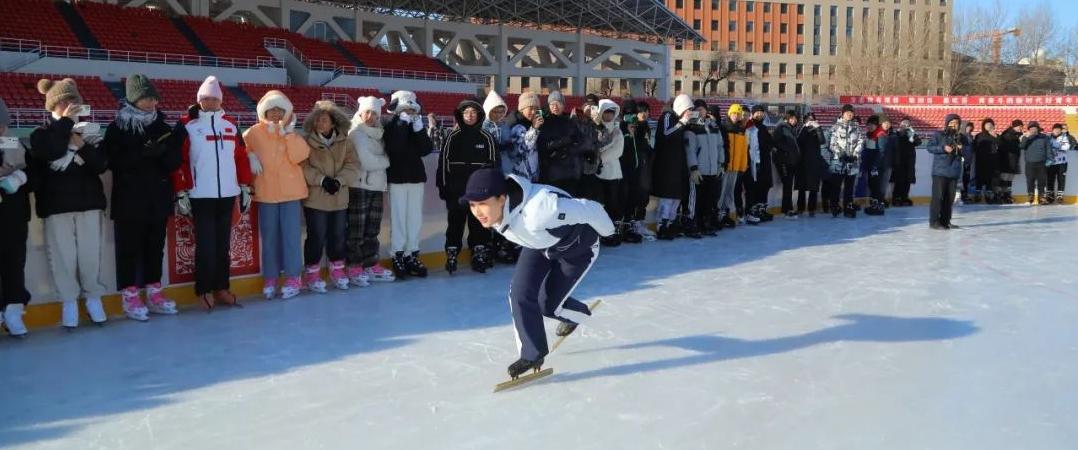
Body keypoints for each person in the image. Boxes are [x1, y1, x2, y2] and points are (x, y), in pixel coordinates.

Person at [461, 168, 614, 379]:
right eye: (472, 205)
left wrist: (609, 232)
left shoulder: (541, 210)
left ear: (502, 198)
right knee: (519, 294)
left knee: (548, 306)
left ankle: (576, 314)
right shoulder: (497, 213)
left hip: (578, 250)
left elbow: (591, 209)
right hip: (539, 245)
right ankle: (532, 354)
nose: (477, 212)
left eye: (483, 203)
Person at [30, 78, 109, 328]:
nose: (70, 105)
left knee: (90, 256)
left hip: (89, 203)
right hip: (56, 206)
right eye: (64, 101)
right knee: (63, 258)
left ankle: (93, 297)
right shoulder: (41, 134)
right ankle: (69, 301)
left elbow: (101, 164)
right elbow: (52, 152)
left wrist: (82, 146)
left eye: (73, 100)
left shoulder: (89, 131)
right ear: (53, 105)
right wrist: (65, 123)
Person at [102, 74, 181, 321]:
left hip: (157, 197)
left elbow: (174, 162)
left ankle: (154, 291)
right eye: (146, 98)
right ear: (134, 99)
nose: (151, 103)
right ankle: (129, 294)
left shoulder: (163, 126)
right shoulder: (118, 127)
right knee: (128, 248)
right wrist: (141, 154)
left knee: (155, 247)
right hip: (129, 198)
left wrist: (164, 151)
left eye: (154, 98)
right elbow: (111, 161)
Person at [172, 75, 253, 310]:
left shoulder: (230, 124)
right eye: (205, 99)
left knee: (223, 247)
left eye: (214, 99)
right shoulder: (186, 124)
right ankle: (203, 289)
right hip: (200, 195)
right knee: (206, 247)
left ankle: (221, 288)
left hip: (227, 194)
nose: (210, 103)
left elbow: (240, 157)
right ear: (199, 100)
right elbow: (178, 161)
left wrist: (245, 186)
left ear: (220, 101)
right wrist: (181, 191)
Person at [244, 90, 310, 299]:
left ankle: (293, 277)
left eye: (280, 110)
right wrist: (250, 156)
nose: (275, 114)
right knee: (269, 238)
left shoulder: (292, 134)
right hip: (266, 192)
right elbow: (241, 149)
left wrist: (288, 135)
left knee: (291, 237)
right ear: (264, 112)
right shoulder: (253, 133)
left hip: (291, 193)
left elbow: (300, 156)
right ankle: (270, 277)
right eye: (271, 110)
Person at [301, 100, 360, 292]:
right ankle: (312, 273)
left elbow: (353, 165)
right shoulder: (306, 141)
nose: (320, 123)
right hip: (316, 199)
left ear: (333, 122)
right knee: (316, 236)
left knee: (338, 236)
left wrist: (338, 181)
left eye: (324, 120)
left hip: (339, 199)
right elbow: (303, 166)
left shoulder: (346, 142)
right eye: (317, 119)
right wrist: (322, 180)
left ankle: (337, 270)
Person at [436, 99, 498, 274]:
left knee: (478, 224)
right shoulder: (452, 137)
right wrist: (443, 187)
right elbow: (443, 165)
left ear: (479, 115)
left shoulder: (486, 138)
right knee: (455, 223)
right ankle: (452, 253)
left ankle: (478, 253)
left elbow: (494, 165)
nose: (470, 115)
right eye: (466, 112)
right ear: (461, 115)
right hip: (456, 191)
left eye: (473, 112)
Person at [383, 90, 433, 278]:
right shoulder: (391, 125)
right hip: (397, 178)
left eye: (412, 110)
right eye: (406, 110)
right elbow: (394, 148)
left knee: (414, 218)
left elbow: (426, 149)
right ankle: (398, 253)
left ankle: (411, 252)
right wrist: (402, 125)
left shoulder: (416, 125)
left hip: (416, 177)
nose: (409, 113)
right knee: (398, 218)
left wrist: (419, 130)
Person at [346, 96, 396, 285]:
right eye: (367, 112)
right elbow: (365, 161)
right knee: (356, 230)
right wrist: (386, 161)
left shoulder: (379, 133)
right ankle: (353, 265)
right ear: (360, 112)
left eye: (374, 113)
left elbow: (375, 158)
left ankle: (370, 263)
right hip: (359, 186)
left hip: (376, 185)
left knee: (372, 230)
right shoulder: (356, 132)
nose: (370, 116)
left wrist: (380, 160)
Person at [0, 98, 32, 336]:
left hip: (13, 215)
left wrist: (19, 178)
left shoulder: (13, 142)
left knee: (14, 263)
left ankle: (14, 309)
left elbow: (33, 171)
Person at [482, 90, 522, 264]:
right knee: (490, 210)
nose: (498, 115)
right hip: (491, 174)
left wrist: (511, 148)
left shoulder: (505, 127)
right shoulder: (484, 128)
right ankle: (490, 245)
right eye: (495, 111)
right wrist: (496, 149)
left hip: (506, 172)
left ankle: (504, 243)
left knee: (504, 210)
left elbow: (512, 153)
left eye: (501, 111)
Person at [651, 94, 693, 238]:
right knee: (668, 196)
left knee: (677, 196)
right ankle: (661, 225)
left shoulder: (681, 120)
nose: (689, 112)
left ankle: (670, 223)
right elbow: (666, 133)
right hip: (667, 164)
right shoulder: (667, 116)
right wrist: (682, 122)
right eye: (687, 109)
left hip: (678, 163)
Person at [684, 100, 725, 234]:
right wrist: (693, 168)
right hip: (699, 171)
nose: (700, 112)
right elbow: (690, 150)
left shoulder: (713, 125)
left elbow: (720, 146)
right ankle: (693, 223)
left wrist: (721, 164)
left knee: (709, 199)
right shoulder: (691, 127)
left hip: (712, 170)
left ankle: (705, 223)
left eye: (702, 109)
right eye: (697, 109)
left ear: (706, 110)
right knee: (696, 200)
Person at [537, 91, 583, 196]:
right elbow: (542, 145)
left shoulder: (570, 122)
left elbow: (579, 141)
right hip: (551, 171)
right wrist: (563, 142)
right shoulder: (544, 123)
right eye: (552, 104)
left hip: (570, 171)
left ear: (563, 105)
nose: (555, 107)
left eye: (558, 103)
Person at [619, 100, 653, 242]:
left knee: (641, 195)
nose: (644, 114)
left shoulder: (645, 127)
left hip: (641, 165)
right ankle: (627, 225)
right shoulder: (625, 127)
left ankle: (636, 223)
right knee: (629, 197)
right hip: (627, 167)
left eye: (646, 111)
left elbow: (647, 146)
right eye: (641, 112)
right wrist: (630, 133)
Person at [593, 99, 625, 246]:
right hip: (597, 174)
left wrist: (600, 158)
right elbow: (594, 147)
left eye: (611, 112)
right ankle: (601, 232)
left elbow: (618, 150)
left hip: (613, 173)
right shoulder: (595, 129)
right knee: (600, 205)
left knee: (614, 204)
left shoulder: (617, 130)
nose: (609, 115)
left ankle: (613, 232)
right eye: (606, 112)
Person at [927, 114, 964, 229]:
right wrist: (943, 148)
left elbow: (968, 153)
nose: (954, 125)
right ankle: (934, 221)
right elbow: (929, 147)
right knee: (938, 198)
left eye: (956, 123)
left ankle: (945, 221)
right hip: (940, 171)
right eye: (951, 123)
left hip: (954, 171)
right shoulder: (939, 135)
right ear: (947, 124)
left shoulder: (962, 137)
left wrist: (962, 149)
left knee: (949, 199)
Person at [827, 104, 864, 218]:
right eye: (847, 112)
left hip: (852, 163)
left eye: (851, 112)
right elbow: (832, 144)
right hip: (838, 162)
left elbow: (861, 141)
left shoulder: (856, 127)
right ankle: (834, 206)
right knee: (836, 186)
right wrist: (841, 154)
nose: (849, 114)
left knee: (849, 187)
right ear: (842, 114)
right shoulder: (835, 127)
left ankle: (848, 207)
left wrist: (855, 154)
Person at [720, 103, 754, 225]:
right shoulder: (724, 127)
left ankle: (726, 213)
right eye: (734, 113)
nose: (736, 115)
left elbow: (743, 150)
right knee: (722, 191)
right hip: (726, 166)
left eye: (738, 114)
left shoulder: (741, 129)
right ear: (730, 113)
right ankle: (718, 214)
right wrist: (722, 162)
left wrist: (743, 165)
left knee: (730, 191)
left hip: (735, 167)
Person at [795, 112, 827, 216]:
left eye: (812, 119)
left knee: (813, 187)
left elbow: (822, 141)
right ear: (805, 120)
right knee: (801, 187)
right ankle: (800, 208)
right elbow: (800, 141)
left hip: (814, 162)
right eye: (808, 119)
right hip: (802, 162)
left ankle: (811, 209)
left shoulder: (817, 130)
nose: (810, 121)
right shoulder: (801, 129)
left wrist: (818, 128)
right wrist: (805, 127)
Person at [748, 105, 776, 222]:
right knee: (756, 187)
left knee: (765, 185)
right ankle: (754, 210)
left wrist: (769, 147)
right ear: (753, 113)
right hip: (755, 162)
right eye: (757, 112)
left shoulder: (763, 128)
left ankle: (762, 209)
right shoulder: (750, 127)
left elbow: (770, 142)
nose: (759, 114)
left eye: (761, 112)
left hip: (765, 161)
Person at [773, 110, 801, 217]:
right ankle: (787, 209)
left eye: (796, 119)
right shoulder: (781, 127)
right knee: (787, 184)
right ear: (787, 118)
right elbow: (775, 142)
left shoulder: (791, 129)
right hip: (783, 161)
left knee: (788, 185)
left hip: (791, 161)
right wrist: (786, 151)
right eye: (792, 118)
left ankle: (787, 208)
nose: (794, 120)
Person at [509, 92, 542, 182]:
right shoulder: (516, 125)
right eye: (530, 108)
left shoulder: (529, 123)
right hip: (520, 176)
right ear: (522, 109)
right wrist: (534, 129)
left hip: (530, 175)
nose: (533, 112)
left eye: (536, 109)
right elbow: (523, 148)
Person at [891, 117, 920, 207]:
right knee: (898, 180)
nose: (905, 125)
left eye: (907, 124)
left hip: (909, 161)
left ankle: (904, 197)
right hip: (899, 160)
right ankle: (896, 197)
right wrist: (899, 132)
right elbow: (893, 141)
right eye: (903, 123)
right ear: (900, 124)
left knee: (908, 180)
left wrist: (912, 134)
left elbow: (918, 142)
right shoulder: (897, 134)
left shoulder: (911, 134)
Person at [1020, 121, 1051, 205]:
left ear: (1038, 128)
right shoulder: (1026, 137)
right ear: (1029, 129)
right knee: (1030, 180)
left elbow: (1048, 148)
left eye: (1035, 128)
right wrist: (1026, 137)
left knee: (1042, 181)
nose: (1033, 129)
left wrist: (1049, 159)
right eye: (1031, 128)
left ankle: (1042, 197)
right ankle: (1031, 196)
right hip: (1030, 163)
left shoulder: (1044, 137)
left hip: (1042, 163)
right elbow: (1022, 146)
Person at [862, 115, 886, 216]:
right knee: (872, 185)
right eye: (868, 124)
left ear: (876, 125)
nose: (870, 126)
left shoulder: (880, 134)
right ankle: (874, 204)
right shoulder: (870, 134)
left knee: (876, 186)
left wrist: (875, 166)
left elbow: (881, 152)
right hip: (870, 165)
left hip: (876, 166)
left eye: (872, 124)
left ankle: (879, 206)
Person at [972, 118, 999, 203]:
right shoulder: (979, 136)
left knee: (989, 178)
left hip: (992, 161)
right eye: (987, 125)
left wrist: (996, 137)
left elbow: (1001, 146)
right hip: (980, 160)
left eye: (990, 125)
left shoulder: (995, 135)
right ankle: (978, 194)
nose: (989, 126)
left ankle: (988, 194)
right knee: (979, 177)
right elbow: (974, 147)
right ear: (983, 126)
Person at [996, 120, 1023, 204]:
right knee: (1004, 178)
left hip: (1013, 160)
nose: (1021, 128)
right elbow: (1005, 147)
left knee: (1010, 178)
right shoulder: (1007, 135)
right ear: (1015, 126)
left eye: (1021, 127)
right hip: (1006, 160)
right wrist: (1018, 141)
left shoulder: (1016, 135)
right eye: (1020, 126)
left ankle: (1007, 195)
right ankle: (1001, 195)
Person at [1046, 123, 1073, 204]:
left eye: (1059, 129)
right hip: (1051, 162)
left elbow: (1067, 147)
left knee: (1061, 179)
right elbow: (1045, 147)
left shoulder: (1064, 137)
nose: (1057, 131)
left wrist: (1058, 146)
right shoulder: (1048, 137)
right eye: (1055, 129)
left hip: (1062, 162)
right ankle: (1050, 195)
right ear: (1052, 130)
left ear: (1061, 130)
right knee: (1050, 179)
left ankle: (1060, 196)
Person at [959, 121, 976, 203]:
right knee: (961, 178)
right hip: (962, 159)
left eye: (970, 127)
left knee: (966, 177)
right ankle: (961, 194)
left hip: (969, 160)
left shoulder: (971, 136)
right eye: (968, 126)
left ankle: (965, 193)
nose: (969, 128)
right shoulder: (961, 136)